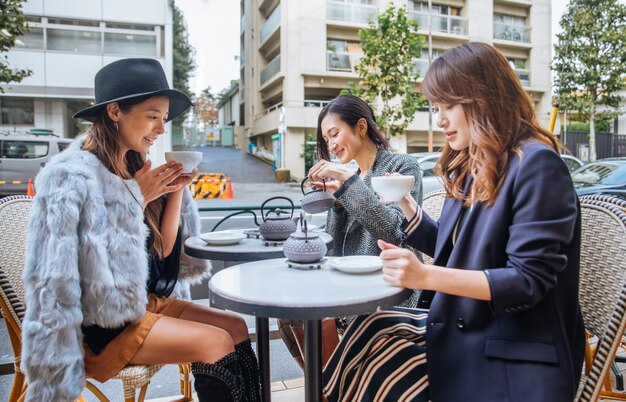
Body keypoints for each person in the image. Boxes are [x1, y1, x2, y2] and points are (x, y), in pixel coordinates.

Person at [322, 43, 585, 402]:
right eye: (436, 108)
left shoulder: (537, 164)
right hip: (468, 328)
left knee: (374, 358)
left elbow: (527, 281)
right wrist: (409, 207)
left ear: (483, 98)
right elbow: (457, 248)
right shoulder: (474, 165)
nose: (439, 119)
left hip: (510, 349)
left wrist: (425, 276)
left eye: (448, 106)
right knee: (369, 329)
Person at [21, 58, 260, 402]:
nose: (161, 128)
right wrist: (135, 197)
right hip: (99, 326)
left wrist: (176, 189)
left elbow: (161, 254)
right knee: (215, 342)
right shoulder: (69, 175)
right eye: (152, 116)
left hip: (141, 305)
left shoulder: (136, 166)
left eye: (164, 118)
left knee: (235, 326)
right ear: (115, 111)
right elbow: (57, 278)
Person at [278, 94, 423, 369]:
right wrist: (338, 201)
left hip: (388, 288)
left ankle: (336, 386)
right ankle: (328, 390)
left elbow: (393, 231)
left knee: (316, 316)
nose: (331, 145)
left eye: (335, 134)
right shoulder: (349, 178)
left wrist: (347, 182)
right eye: (327, 139)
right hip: (348, 286)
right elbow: (333, 249)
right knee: (289, 313)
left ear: (361, 127)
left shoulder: (402, 166)